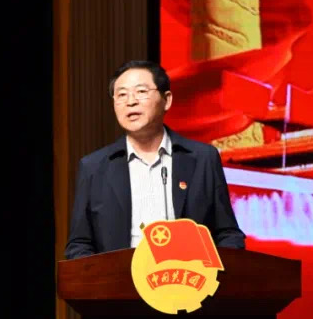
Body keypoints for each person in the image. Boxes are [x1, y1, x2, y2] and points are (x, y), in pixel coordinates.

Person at [64, 60, 246, 259]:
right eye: (121, 95)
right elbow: (79, 244)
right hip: (120, 277)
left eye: (141, 92)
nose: (130, 101)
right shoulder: (93, 167)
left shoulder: (203, 158)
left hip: (188, 275)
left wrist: (212, 271)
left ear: (166, 100)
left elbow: (228, 234)